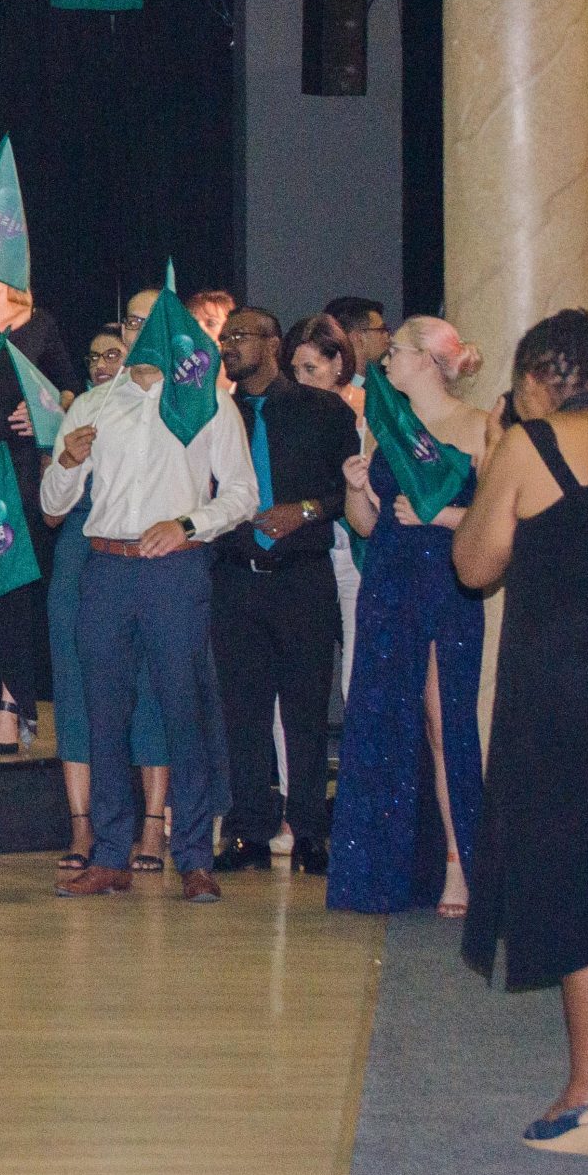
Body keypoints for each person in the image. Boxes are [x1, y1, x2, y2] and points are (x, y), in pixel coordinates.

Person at [41, 307, 258, 903]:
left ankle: (194, 857)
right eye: (131, 322)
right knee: (104, 711)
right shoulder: (94, 405)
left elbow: (243, 493)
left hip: (174, 568)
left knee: (182, 708)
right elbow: (52, 506)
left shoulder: (206, 402)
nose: (139, 332)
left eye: (150, 320)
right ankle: (110, 855)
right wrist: (67, 464)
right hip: (105, 565)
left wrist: (188, 524)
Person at [452, 308, 588, 1154]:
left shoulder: (530, 447)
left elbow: (474, 567)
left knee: (574, 877)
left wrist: (491, 461)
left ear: (538, 378)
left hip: (563, 691)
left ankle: (587, 1091)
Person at [330, 316, 492, 917]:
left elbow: (500, 520)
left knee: (443, 722)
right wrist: (354, 489)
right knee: (382, 719)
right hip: (389, 582)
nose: (385, 359)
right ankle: (383, 871)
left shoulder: (478, 426)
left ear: (427, 358)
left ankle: (459, 863)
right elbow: (369, 524)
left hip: (447, 584)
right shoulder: (385, 427)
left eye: (395, 349)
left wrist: (440, 516)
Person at [211, 308, 358, 877]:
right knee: (243, 711)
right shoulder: (215, 414)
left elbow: (345, 491)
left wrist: (304, 511)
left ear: (272, 343)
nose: (228, 345)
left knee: (305, 710)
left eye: (240, 336)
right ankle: (249, 829)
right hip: (235, 576)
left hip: (301, 577)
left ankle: (310, 832)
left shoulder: (322, 410)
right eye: (224, 337)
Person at [46, 324, 173, 873]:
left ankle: (152, 825)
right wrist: (68, 462)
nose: (101, 364)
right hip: (80, 553)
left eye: (113, 354)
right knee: (74, 687)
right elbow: (51, 510)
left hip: (145, 551)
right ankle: (82, 826)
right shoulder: (84, 411)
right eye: (94, 356)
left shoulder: (163, 411)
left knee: (148, 687)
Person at [0, 260, 82, 754]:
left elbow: (70, 388)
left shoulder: (39, 323)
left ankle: (11, 705)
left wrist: (46, 405)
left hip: (21, 468)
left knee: (12, 584)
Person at [289, 312, 369, 707]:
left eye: (311, 369)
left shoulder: (371, 410)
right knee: (298, 669)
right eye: (294, 371)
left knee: (359, 671)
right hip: (310, 549)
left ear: (338, 362)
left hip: (357, 550)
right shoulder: (290, 412)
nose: (302, 380)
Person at [326, 295, 391, 386]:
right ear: (358, 338)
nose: (388, 337)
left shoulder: (384, 381)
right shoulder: (329, 386)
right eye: (381, 330)